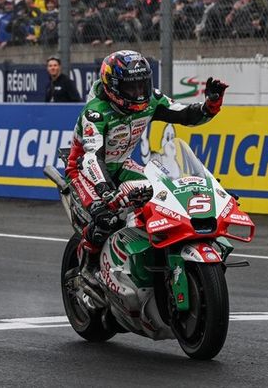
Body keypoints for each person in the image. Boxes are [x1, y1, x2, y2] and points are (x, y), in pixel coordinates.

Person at [64, 50, 227, 290]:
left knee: (163, 198)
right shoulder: (95, 112)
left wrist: (209, 106)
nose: (139, 92)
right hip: (85, 171)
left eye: (142, 84)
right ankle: (86, 269)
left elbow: (184, 114)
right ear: (112, 86)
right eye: (131, 87)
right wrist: (105, 191)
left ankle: (147, 259)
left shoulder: (151, 100)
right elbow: (91, 157)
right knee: (106, 217)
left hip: (122, 164)